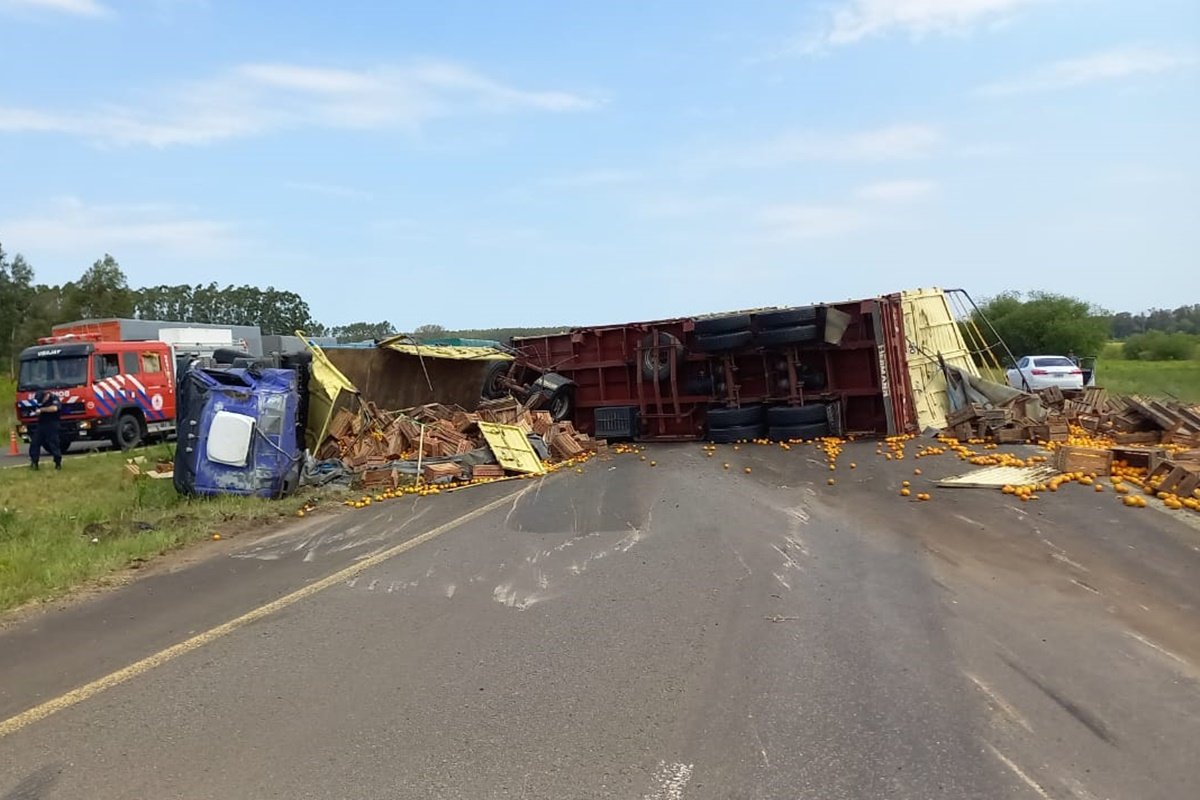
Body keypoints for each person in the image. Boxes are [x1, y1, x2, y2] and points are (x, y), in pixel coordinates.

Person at [30, 391, 62, 471]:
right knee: (35, 443)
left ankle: (57, 463)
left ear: (46, 396)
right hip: (41, 424)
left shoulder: (54, 398)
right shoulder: (40, 401)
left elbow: (54, 408)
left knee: (53, 443)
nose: (41, 402)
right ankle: (34, 462)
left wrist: (41, 410)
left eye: (42, 400)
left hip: (52, 423)